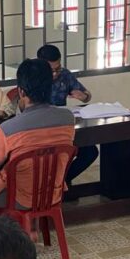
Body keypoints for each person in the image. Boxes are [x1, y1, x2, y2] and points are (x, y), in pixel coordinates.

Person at [0, 58, 76, 212]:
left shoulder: (9, 128)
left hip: (19, 195)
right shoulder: (68, 118)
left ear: (21, 91)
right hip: (53, 193)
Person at [37, 44, 98, 184]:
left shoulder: (65, 75)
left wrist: (84, 96)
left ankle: (62, 180)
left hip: (62, 127)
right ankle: (58, 183)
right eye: (51, 70)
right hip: (41, 130)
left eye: (57, 69)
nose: (55, 74)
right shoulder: (33, 78)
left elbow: (87, 95)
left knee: (90, 152)